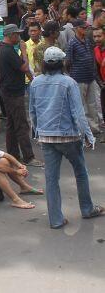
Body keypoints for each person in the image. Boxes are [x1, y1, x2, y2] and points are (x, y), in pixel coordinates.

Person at [30, 46, 104, 228]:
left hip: (46, 137)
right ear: (63, 63)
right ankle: (87, 209)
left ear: (45, 64)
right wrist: (89, 136)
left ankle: (55, 219)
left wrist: (36, 132)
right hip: (68, 137)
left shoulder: (35, 83)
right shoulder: (68, 82)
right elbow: (78, 113)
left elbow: (32, 111)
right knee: (80, 172)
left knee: (51, 179)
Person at [0, 24, 41, 166]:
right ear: (11, 35)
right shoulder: (8, 51)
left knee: (12, 123)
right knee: (21, 124)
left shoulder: (5, 49)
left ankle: (13, 154)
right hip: (13, 92)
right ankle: (28, 157)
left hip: (8, 90)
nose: (19, 37)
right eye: (17, 34)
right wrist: (24, 51)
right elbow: (24, 67)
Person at [66, 18, 103, 139]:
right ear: (76, 29)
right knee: (81, 106)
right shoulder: (72, 43)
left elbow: (91, 58)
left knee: (92, 104)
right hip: (78, 78)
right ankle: (83, 130)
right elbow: (68, 61)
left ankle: (94, 128)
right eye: (83, 27)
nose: (86, 29)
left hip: (90, 77)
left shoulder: (87, 40)